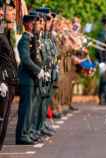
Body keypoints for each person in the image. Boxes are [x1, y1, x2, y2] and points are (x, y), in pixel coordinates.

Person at [16, 14, 43, 145]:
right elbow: (25, 60)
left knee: (29, 108)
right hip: (26, 78)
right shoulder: (25, 40)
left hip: (31, 78)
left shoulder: (32, 39)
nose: (35, 25)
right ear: (27, 24)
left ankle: (26, 133)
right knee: (26, 108)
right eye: (33, 23)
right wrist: (38, 71)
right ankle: (22, 135)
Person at [0, 1, 18, 149]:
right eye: (10, 10)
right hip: (3, 81)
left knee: (4, 121)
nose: (13, 13)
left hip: (10, 80)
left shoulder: (5, 32)